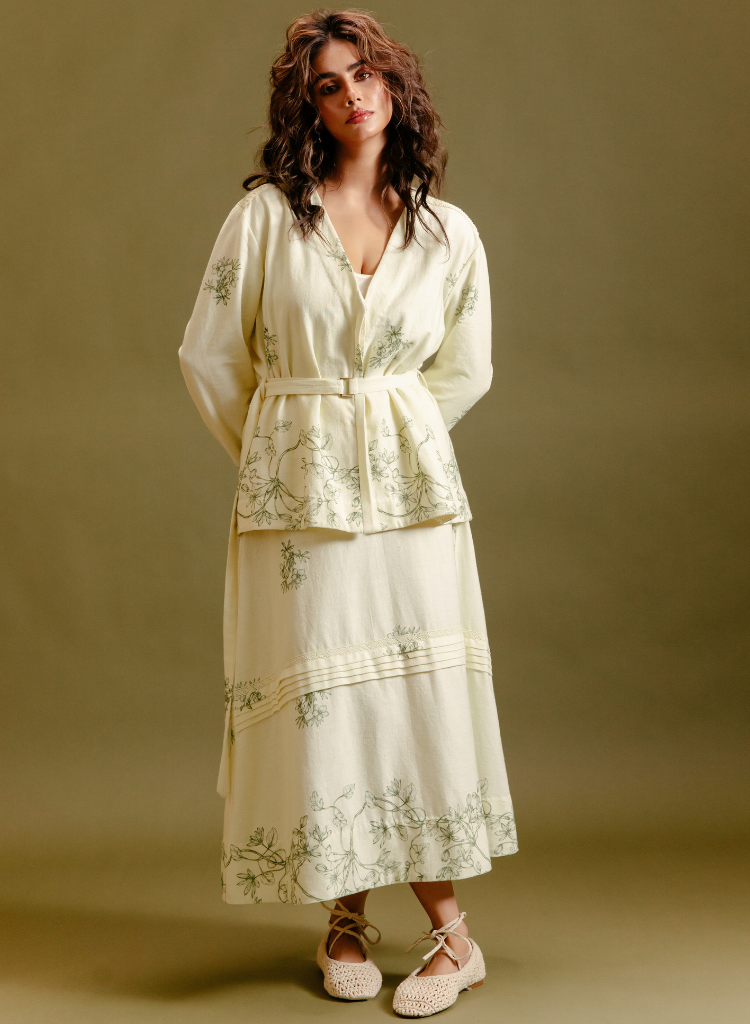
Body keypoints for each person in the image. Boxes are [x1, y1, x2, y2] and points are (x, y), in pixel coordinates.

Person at [179, 9, 517, 1018]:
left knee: (411, 697)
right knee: (327, 703)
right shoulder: (265, 220)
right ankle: (344, 918)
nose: (353, 94)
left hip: (413, 504)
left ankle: (454, 937)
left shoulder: (448, 232)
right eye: (329, 84)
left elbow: (466, 367)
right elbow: (208, 355)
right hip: (301, 505)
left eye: (366, 73)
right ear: (309, 107)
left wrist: (389, 440)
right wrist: (286, 455)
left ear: (395, 85)